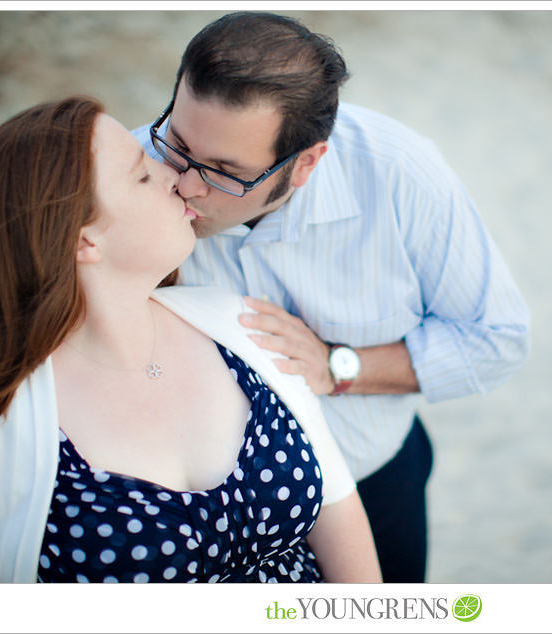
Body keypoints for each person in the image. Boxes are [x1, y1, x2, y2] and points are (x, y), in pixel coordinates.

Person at [132, 11, 530, 583]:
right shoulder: (129, 173)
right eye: (179, 142)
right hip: (207, 507)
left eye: (224, 172)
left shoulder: (400, 173)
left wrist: (338, 366)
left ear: (305, 165)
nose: (187, 185)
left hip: (373, 479)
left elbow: (498, 338)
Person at [0, 95, 381, 584]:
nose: (177, 179)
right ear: (84, 240)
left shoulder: (237, 325)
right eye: (141, 174)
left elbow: (338, 513)